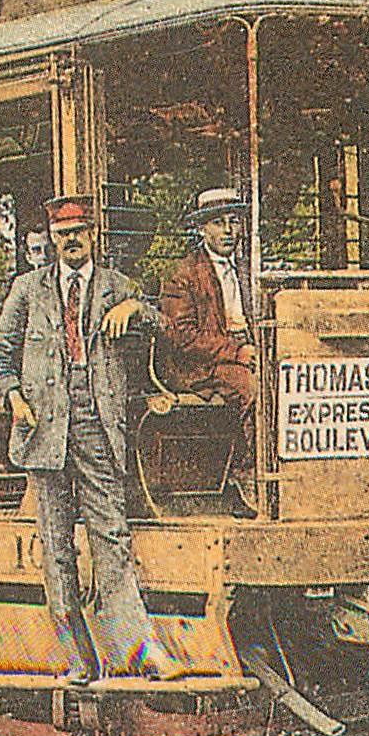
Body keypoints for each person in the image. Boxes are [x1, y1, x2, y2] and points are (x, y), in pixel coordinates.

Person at [0, 194, 182, 685]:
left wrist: (135, 307)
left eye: (79, 231)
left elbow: (164, 324)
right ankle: (77, 658)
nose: (70, 241)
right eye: (61, 233)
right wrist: (14, 399)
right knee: (56, 548)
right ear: (52, 239)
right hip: (43, 430)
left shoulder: (117, 286)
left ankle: (137, 650)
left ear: (92, 235)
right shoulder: (28, 290)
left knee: (111, 537)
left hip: (97, 424)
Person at [157, 187, 257, 517]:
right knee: (252, 389)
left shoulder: (248, 270)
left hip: (244, 353)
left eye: (234, 222)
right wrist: (236, 351)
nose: (228, 231)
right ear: (201, 229)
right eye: (218, 223)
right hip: (197, 366)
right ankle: (247, 475)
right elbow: (181, 337)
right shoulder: (184, 274)